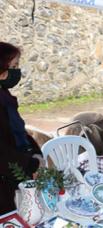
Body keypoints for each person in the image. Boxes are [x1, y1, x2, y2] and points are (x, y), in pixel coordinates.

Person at [0, 42, 44, 214]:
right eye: (14, 66)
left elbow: (18, 131)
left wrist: (36, 152)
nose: (17, 72)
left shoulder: (4, 95)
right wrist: (32, 163)